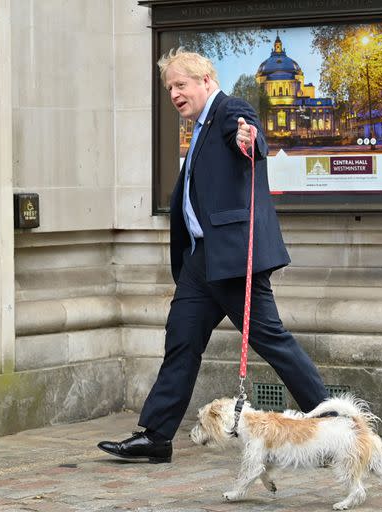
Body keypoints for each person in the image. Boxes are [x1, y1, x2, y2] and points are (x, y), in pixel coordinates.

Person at [97, 49, 328, 463]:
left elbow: (249, 135)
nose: (174, 94)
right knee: (180, 344)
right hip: (200, 263)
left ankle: (333, 424)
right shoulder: (199, 126)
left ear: (206, 80)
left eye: (180, 85)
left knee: (273, 343)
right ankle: (156, 436)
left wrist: (249, 140)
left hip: (233, 259)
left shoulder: (228, 109)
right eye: (169, 87)